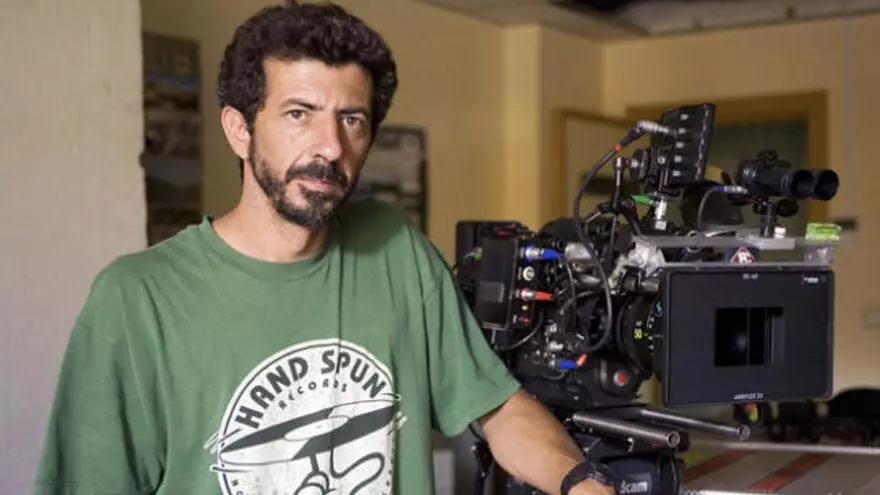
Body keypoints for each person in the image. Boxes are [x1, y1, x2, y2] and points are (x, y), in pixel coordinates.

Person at [33, 2, 616, 494]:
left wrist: (583, 485)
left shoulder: (397, 251)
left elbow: (498, 408)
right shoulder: (136, 299)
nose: (331, 146)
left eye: (352, 120)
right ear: (239, 129)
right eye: (299, 114)